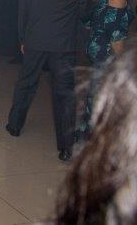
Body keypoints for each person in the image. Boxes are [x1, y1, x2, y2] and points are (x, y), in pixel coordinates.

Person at [6, 0, 91, 162]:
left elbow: (22, 8)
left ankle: (14, 126)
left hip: (34, 40)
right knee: (64, 94)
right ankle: (65, 147)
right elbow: (85, 12)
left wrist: (22, 38)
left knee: (26, 84)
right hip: (63, 44)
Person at [56, 43, 137, 224]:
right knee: (93, 110)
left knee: (93, 111)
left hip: (103, 75)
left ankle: (82, 149)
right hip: (103, 74)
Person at [77, 0, 135, 138]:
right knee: (105, 102)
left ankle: (86, 139)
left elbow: (89, 23)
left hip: (97, 51)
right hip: (107, 54)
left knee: (96, 97)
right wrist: (123, 64)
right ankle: (94, 142)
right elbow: (115, 36)